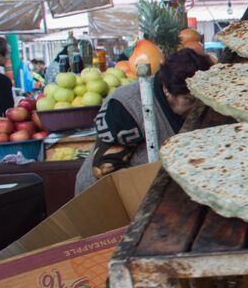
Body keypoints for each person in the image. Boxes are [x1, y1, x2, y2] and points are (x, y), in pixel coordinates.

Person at [74, 48, 213, 194]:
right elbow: (105, 170)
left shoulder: (188, 101)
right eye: (190, 100)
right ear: (166, 89)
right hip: (105, 197)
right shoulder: (127, 106)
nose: (198, 106)